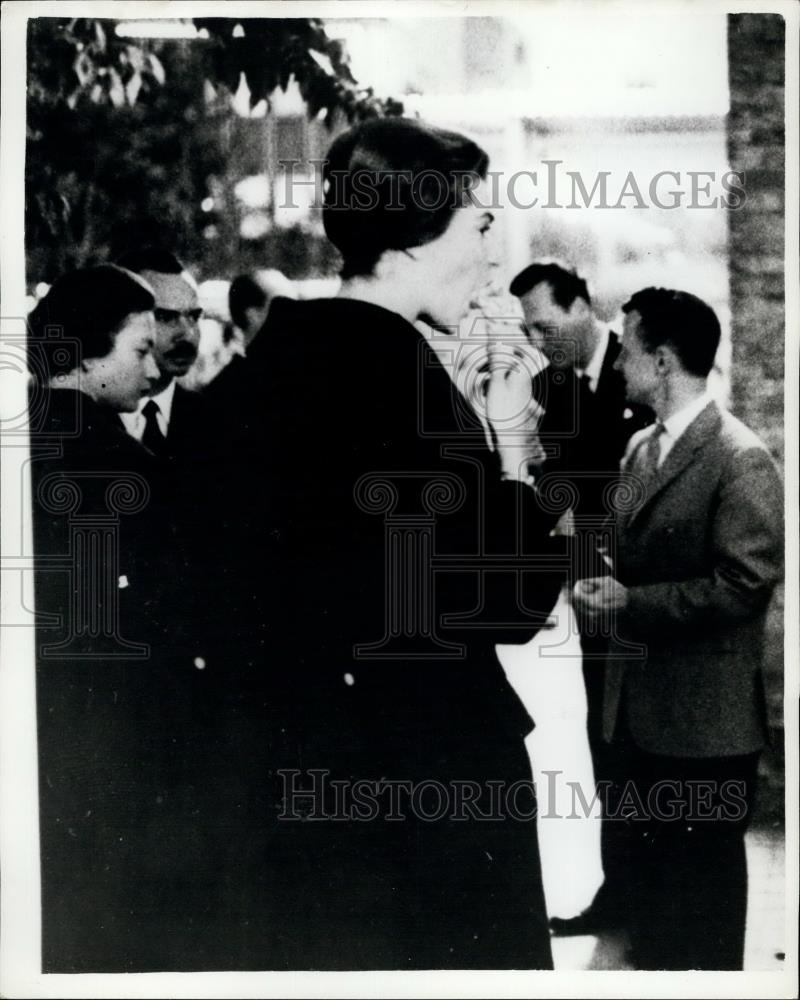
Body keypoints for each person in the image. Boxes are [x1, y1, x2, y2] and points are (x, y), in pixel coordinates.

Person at [212, 118, 569, 970]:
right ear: (411, 240)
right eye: (480, 226)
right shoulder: (407, 390)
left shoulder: (254, 378)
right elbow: (506, 599)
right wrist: (513, 446)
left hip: (291, 791)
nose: (491, 256)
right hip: (428, 795)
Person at [573, 287, 783, 970]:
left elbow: (743, 585)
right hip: (639, 719)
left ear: (662, 361)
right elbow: (632, 552)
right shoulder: (641, 448)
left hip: (704, 728)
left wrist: (629, 603)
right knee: (656, 913)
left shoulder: (739, 457)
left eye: (627, 349)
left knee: (705, 913)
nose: (619, 364)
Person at [27, 265, 213, 971]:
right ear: (81, 356)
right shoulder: (108, 460)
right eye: (137, 350)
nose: (152, 364)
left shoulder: (32, 436)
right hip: (120, 739)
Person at [510, 261, 653, 935]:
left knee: (648, 738)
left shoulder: (642, 373)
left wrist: (584, 518)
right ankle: (619, 889)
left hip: (647, 589)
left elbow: (654, 487)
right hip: (589, 594)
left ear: (581, 307)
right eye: (527, 327)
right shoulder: (547, 386)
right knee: (603, 735)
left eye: (544, 323)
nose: (537, 338)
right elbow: (552, 479)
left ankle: (654, 886)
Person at [115, 248, 207, 458]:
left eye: (194, 316)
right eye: (165, 317)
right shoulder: (85, 421)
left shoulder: (219, 421)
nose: (187, 334)